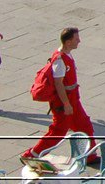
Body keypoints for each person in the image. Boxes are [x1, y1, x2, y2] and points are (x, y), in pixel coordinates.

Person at [20, 27, 96, 168]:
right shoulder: (60, 61)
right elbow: (58, 84)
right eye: (76, 39)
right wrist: (67, 104)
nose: (79, 41)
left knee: (84, 124)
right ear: (68, 42)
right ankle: (32, 154)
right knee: (58, 131)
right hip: (64, 101)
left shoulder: (66, 54)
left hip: (73, 99)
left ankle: (90, 155)